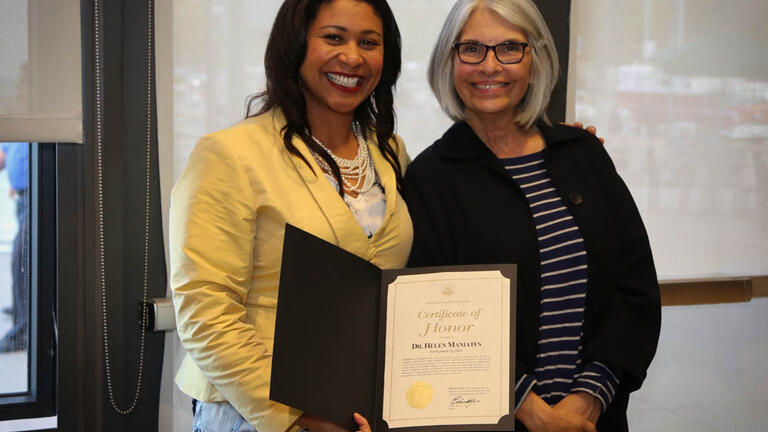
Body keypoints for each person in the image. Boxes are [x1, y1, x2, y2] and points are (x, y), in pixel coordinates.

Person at [405, 1, 661, 431]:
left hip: (594, 419)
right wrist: (533, 412)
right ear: (448, 60)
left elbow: (633, 290)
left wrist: (588, 400)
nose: (490, 66)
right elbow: (434, 324)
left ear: (534, 58)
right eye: (471, 49)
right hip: (490, 419)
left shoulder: (583, 155)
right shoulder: (429, 179)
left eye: (509, 48)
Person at [170, 0, 409, 431]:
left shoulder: (390, 153)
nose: (352, 57)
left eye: (369, 42)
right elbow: (206, 312)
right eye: (333, 37)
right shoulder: (230, 154)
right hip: (257, 413)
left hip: (364, 411)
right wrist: (303, 417)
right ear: (295, 45)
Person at [0, 142, 29, 353]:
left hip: (35, 196)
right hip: (22, 197)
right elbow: (5, 154)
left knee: (22, 260)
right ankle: (21, 310)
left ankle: (24, 332)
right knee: (19, 260)